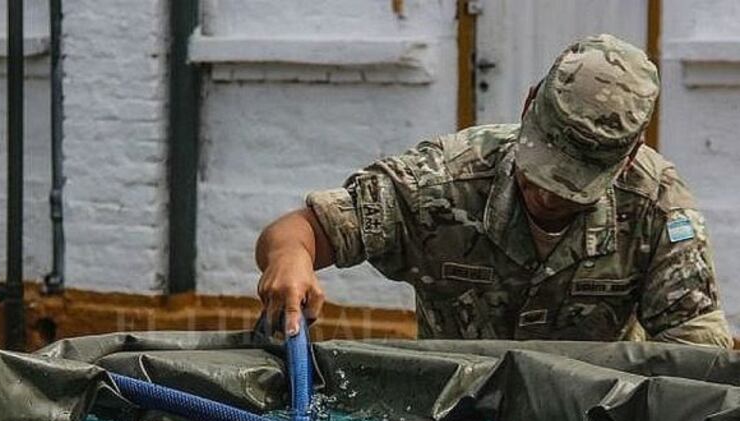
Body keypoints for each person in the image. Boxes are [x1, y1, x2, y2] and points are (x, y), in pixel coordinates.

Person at [256, 34, 733, 349]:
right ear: (528, 107)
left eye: (574, 186)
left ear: (626, 160)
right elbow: (302, 230)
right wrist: (290, 259)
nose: (549, 195)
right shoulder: (441, 181)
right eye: (541, 169)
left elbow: (695, 354)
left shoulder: (655, 205)